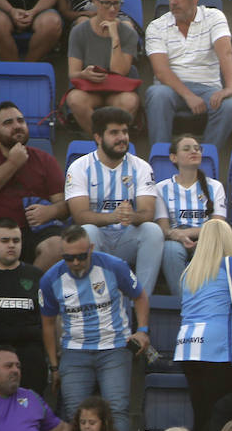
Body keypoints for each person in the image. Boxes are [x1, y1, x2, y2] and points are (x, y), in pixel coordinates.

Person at [174, 220, 232, 431]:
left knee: (200, 410)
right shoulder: (230, 264)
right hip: (216, 347)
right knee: (219, 414)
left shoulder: (188, 271)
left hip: (187, 345)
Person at [63, 107, 164, 295]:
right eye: (114, 132)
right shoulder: (79, 167)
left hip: (126, 240)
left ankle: (140, 299)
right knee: (87, 231)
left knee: (153, 231)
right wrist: (113, 217)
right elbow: (79, 216)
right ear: (98, 137)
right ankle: (96, 299)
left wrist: (131, 216)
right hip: (97, 240)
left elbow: (147, 212)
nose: (122, 137)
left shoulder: (141, 167)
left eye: (125, 132)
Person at [0, 102, 66, 271]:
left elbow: (64, 203)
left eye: (20, 121)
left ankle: (30, 292)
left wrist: (52, 211)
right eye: (8, 123)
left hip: (30, 231)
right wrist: (13, 163)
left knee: (57, 246)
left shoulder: (45, 160)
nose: (17, 126)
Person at [144, 0, 232, 145]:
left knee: (228, 106)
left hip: (207, 87)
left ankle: (205, 160)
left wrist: (229, 88)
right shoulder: (156, 26)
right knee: (157, 95)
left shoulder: (214, 17)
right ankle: (161, 160)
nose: (172, 1)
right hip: (170, 88)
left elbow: (226, 53)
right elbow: (161, 72)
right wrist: (188, 96)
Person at [64, 0, 142, 132]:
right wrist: (84, 74)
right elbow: (73, 73)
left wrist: (115, 37)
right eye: (106, 3)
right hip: (90, 88)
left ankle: (113, 139)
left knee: (130, 101)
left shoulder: (128, 33)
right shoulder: (79, 31)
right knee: (75, 99)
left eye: (116, 3)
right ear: (95, 1)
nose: (112, 9)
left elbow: (120, 70)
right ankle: (100, 140)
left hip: (117, 89)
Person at [156, 133, 227, 297]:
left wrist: (186, 233)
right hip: (174, 241)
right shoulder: (161, 188)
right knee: (170, 250)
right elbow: (163, 228)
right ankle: (185, 304)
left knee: (207, 248)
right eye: (186, 149)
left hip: (206, 238)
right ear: (174, 157)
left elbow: (218, 225)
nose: (194, 152)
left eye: (197, 149)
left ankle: (203, 301)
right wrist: (178, 236)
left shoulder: (215, 187)